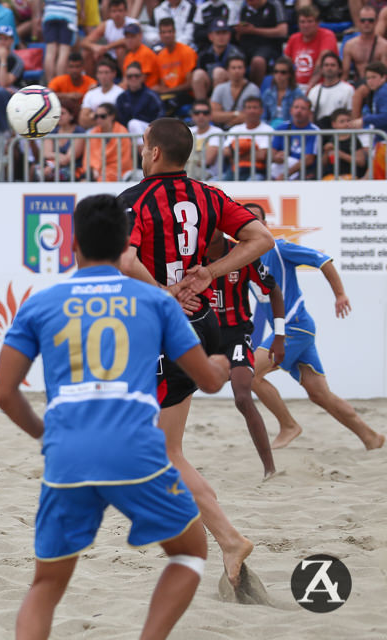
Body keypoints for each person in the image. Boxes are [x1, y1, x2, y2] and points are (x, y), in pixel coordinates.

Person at [0, 193, 228, 640]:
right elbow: (210, 380)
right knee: (188, 554)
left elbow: (4, 393)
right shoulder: (154, 301)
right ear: (126, 247)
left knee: (45, 584)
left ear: (73, 245)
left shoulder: (42, 303)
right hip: (135, 450)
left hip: (68, 453)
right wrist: (218, 364)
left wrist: (47, 436)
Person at [118, 117, 275, 587]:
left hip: (167, 329)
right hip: (202, 323)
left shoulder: (134, 200)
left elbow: (125, 260)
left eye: (144, 145)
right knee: (161, 447)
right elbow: (261, 239)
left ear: (153, 153)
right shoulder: (209, 195)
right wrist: (210, 272)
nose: (141, 151)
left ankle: (226, 538)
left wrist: (165, 293)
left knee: (157, 451)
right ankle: (224, 540)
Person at [246, 204, 385, 452]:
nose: (251, 224)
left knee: (250, 374)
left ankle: (288, 425)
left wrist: (340, 294)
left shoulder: (280, 248)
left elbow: (323, 260)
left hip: (295, 327)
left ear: (265, 226)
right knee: (320, 395)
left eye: (255, 220)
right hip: (292, 330)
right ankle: (371, 437)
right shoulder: (243, 258)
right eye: (246, 220)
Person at [204, 227, 285, 479]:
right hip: (200, 335)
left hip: (236, 335)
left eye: (218, 222)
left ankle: (269, 469)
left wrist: (279, 336)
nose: (212, 226)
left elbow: (272, 289)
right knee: (172, 395)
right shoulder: (189, 254)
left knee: (242, 396)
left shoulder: (241, 254)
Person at [283, 4, 336, 93]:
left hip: (320, 86)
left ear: (317, 23)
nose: (306, 25)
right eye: (302, 22)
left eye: (310, 21)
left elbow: (322, 63)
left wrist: (309, 87)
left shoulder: (327, 36)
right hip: (295, 86)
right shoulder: (293, 38)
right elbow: (285, 64)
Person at [236, 0, 287, 88]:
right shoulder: (244, 7)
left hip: (268, 45)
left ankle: (255, 91)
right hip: (246, 45)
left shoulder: (274, 5)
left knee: (258, 61)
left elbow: (283, 31)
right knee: (233, 60)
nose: (249, 2)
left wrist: (254, 30)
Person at [192, 19, 243, 101]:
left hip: (232, 88)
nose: (221, 37)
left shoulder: (237, 54)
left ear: (229, 35)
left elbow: (241, 77)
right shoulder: (204, 54)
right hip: (210, 86)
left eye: (224, 33)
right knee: (198, 74)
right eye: (218, 33)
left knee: (219, 72)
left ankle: (216, 105)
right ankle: (201, 106)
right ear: (210, 37)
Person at [270, 95, 319, 180]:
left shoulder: (314, 131)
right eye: (296, 107)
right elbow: (272, 152)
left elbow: (309, 159)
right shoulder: (281, 128)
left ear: (309, 113)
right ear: (291, 110)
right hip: (281, 169)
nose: (299, 111)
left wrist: (286, 174)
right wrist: (276, 157)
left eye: (303, 108)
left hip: (302, 171)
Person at [226, 95, 272, 180]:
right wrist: (251, 149)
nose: (252, 111)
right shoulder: (235, 129)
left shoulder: (268, 130)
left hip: (256, 171)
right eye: (249, 108)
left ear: (262, 111)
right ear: (243, 111)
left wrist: (237, 154)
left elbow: (262, 155)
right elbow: (225, 152)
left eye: (255, 108)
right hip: (233, 170)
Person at [82, 103, 132, 181]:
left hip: (118, 172)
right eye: (96, 116)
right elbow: (90, 157)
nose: (98, 119)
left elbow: (124, 160)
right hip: (96, 173)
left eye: (102, 116)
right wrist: (94, 170)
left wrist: (104, 172)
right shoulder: (93, 132)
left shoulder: (122, 132)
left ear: (112, 116)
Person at [154, 17, 196, 109]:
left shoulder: (187, 51)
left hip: (185, 94)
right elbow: (162, 84)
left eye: (170, 31)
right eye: (164, 32)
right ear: (160, 35)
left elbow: (189, 84)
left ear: (175, 32)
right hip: (168, 95)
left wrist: (167, 90)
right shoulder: (160, 56)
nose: (167, 35)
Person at [307, 52, 354, 129]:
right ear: (321, 69)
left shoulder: (348, 89)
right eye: (326, 65)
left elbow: (351, 114)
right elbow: (310, 115)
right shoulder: (314, 91)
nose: (329, 68)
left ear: (339, 69)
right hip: (321, 131)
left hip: (340, 132)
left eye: (333, 65)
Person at [342, 5, 387, 86]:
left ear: (376, 21)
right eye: (363, 20)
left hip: (378, 86)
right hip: (358, 84)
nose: (367, 23)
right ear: (359, 22)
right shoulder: (350, 45)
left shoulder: (384, 46)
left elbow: (385, 75)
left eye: (370, 20)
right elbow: (344, 75)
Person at [210, 55, 259, 128]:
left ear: (244, 70)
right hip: (222, 131)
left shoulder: (253, 89)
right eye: (233, 68)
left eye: (240, 68)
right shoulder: (219, 88)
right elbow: (214, 115)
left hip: (245, 129)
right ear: (227, 70)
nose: (237, 71)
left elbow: (252, 114)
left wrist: (227, 118)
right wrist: (236, 114)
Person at [34, 0, 77, 82]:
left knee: (50, 52)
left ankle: (51, 85)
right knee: (64, 52)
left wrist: (38, 15)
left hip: (50, 13)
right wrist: (82, 11)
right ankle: (60, 84)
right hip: (68, 14)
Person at [115, 60, 162, 136]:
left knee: (134, 124)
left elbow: (160, 117)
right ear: (125, 78)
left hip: (150, 132)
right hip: (127, 134)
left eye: (136, 76)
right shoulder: (121, 98)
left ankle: (141, 148)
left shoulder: (152, 96)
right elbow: (119, 121)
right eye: (130, 76)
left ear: (142, 77)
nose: (133, 78)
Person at [322, 108, 368, 179]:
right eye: (342, 121)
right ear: (334, 124)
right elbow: (323, 164)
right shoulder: (331, 140)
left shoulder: (354, 140)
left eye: (348, 121)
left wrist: (342, 155)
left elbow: (361, 162)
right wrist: (326, 152)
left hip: (351, 176)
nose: (346, 124)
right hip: (333, 177)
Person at [261, 56, 305, 128]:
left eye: (283, 72)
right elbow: (263, 117)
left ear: (290, 74)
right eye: (276, 72)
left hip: (290, 131)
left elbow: (298, 118)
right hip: (270, 131)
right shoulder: (267, 94)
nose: (279, 75)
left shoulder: (297, 94)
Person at [79, 57, 123, 129]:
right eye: (100, 73)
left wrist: (94, 115)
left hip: (115, 132)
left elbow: (118, 119)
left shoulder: (120, 93)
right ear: (97, 75)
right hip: (92, 132)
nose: (103, 76)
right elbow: (82, 120)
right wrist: (105, 119)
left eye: (106, 72)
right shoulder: (91, 93)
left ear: (114, 74)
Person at [185, 98, 222, 180]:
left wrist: (189, 159)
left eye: (205, 113)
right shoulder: (188, 131)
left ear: (210, 115)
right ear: (192, 115)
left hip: (210, 176)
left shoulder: (217, 132)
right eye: (197, 113)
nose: (201, 116)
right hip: (188, 173)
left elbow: (208, 160)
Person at [121, 23, 159, 89]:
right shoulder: (128, 56)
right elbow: (125, 79)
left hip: (147, 92)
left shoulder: (146, 53)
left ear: (140, 36)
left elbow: (138, 80)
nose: (129, 40)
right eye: (127, 37)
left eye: (132, 36)